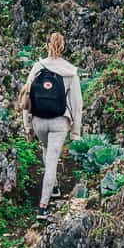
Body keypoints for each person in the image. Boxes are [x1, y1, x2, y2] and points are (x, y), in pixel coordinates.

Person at [20, 32, 82, 221]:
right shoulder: (70, 71)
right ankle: (43, 207)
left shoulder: (37, 67)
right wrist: (75, 133)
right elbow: (77, 104)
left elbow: (26, 98)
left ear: (47, 45)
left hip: (39, 121)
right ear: (64, 47)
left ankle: (54, 187)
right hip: (59, 121)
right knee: (52, 161)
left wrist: (27, 126)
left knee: (46, 152)